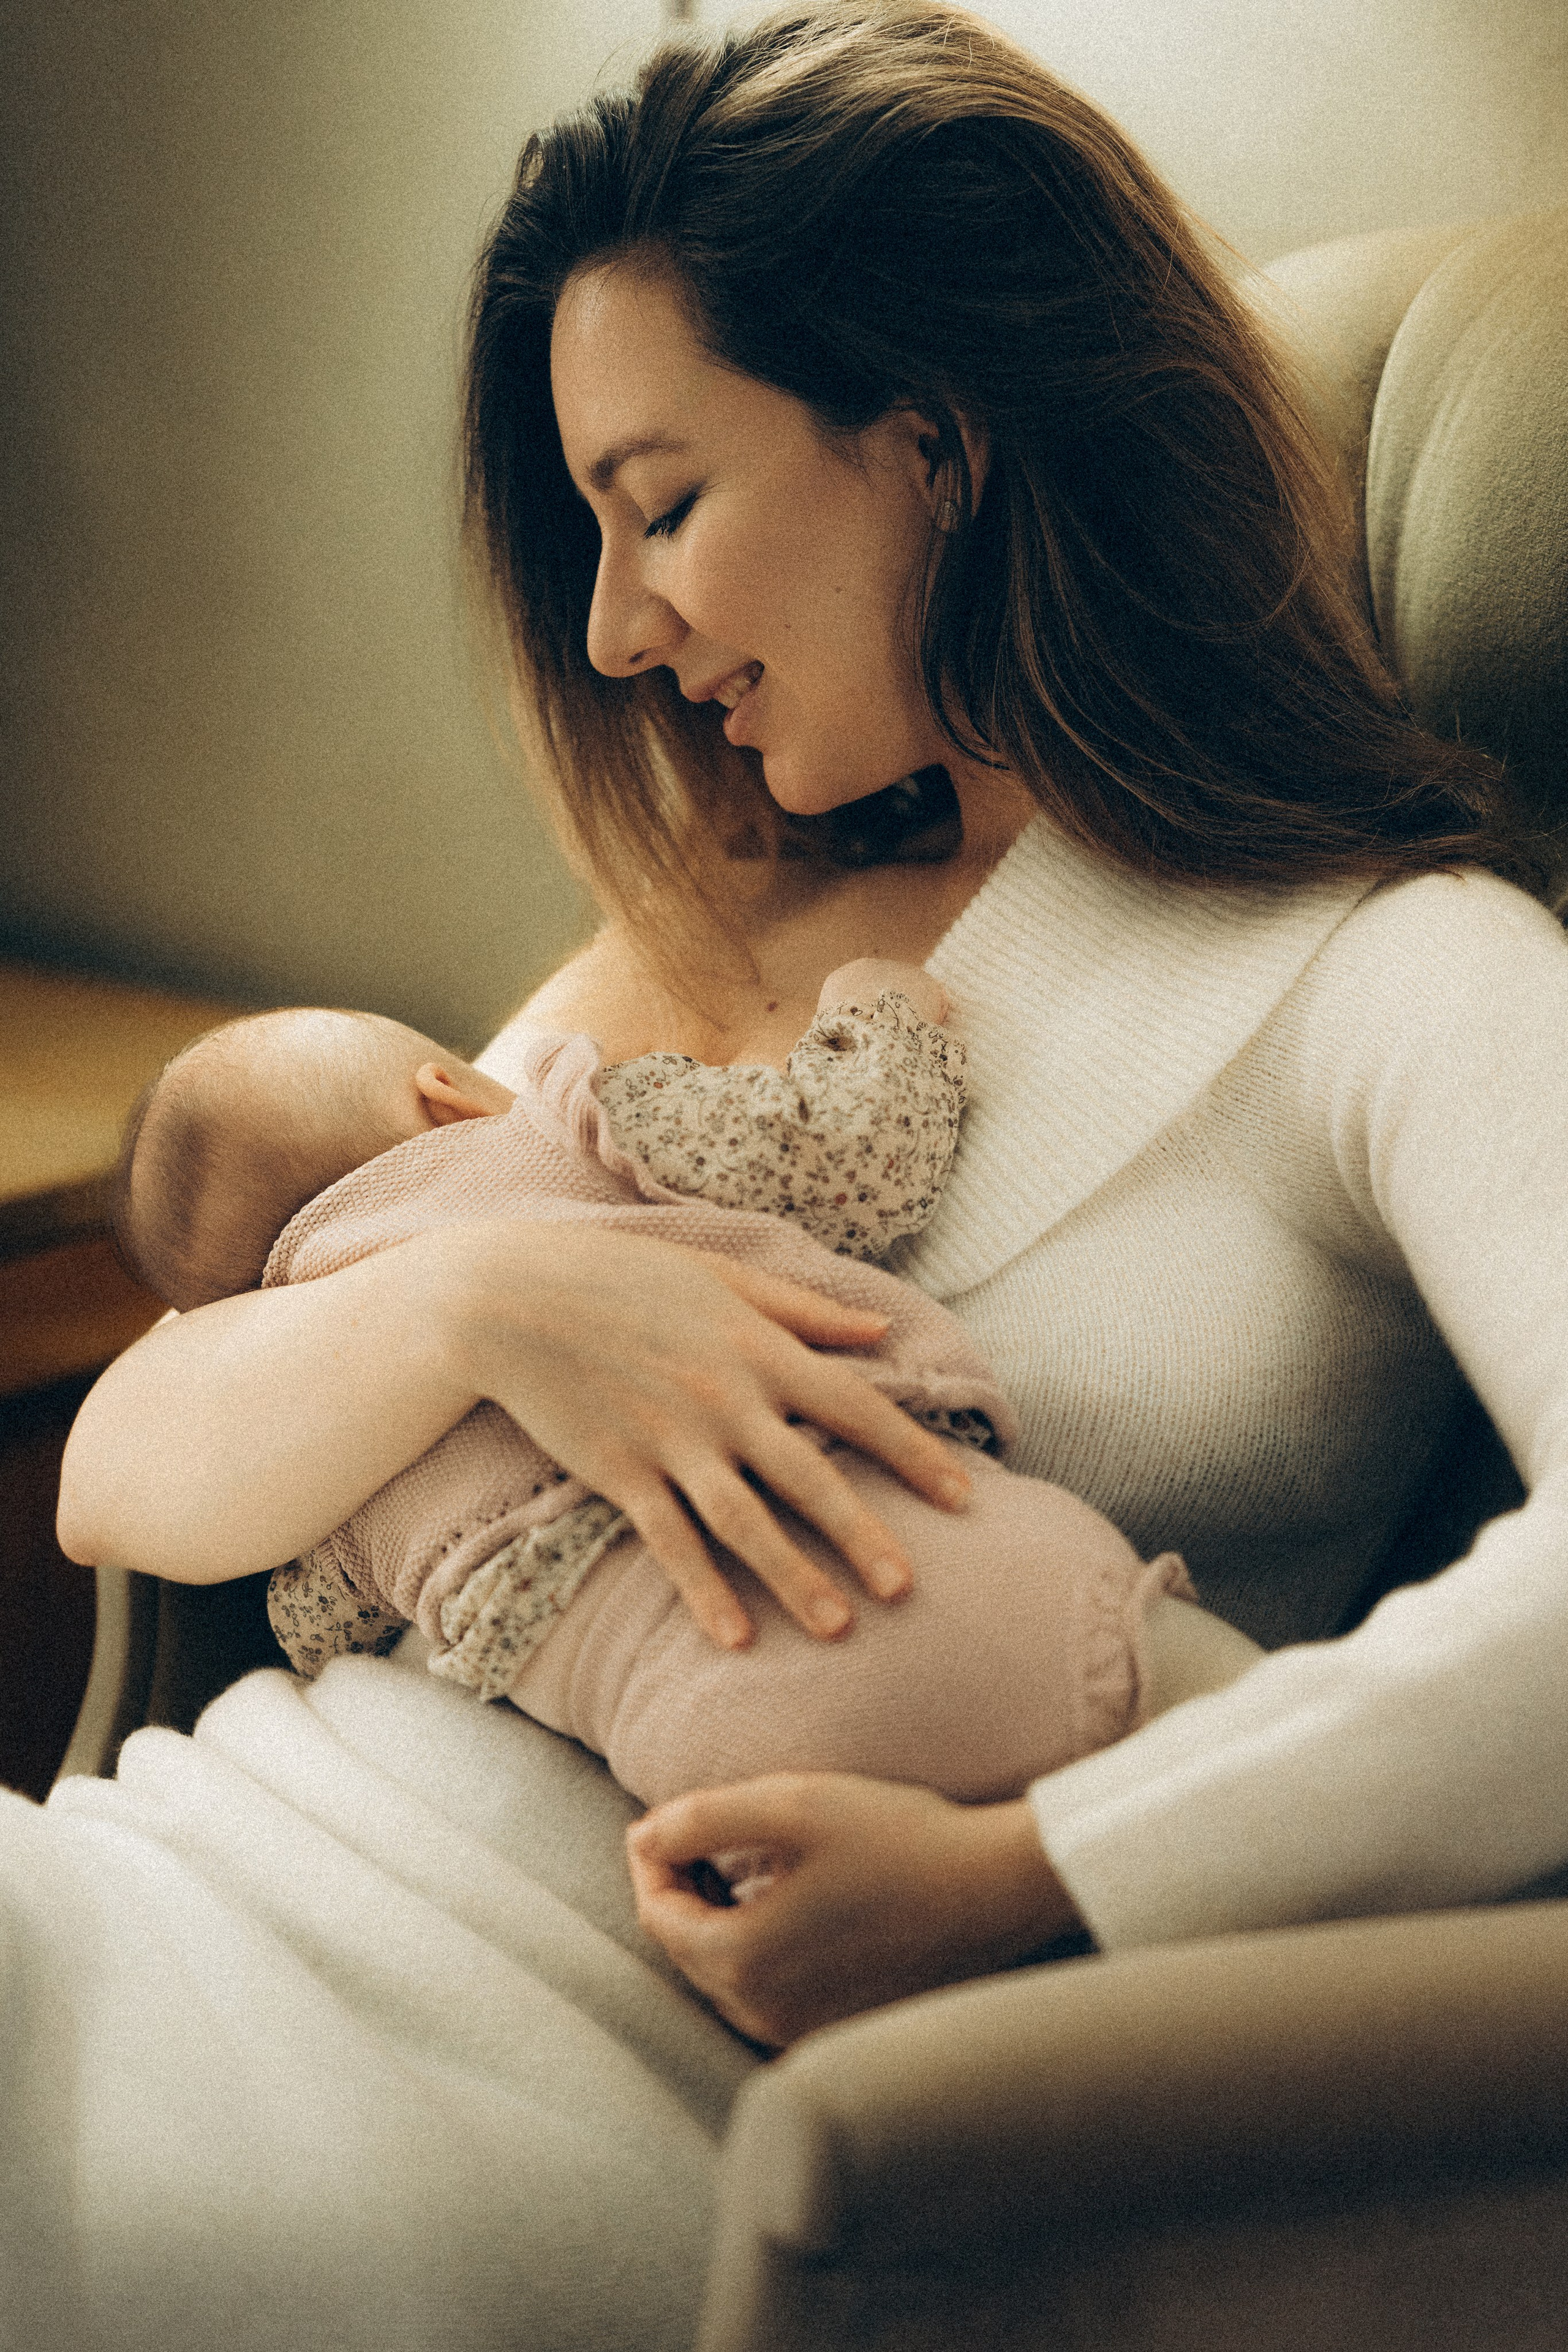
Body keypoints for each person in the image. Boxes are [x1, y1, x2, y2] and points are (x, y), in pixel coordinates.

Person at [56, 0, 1568, 2132]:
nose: (612, 634)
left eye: (659, 506)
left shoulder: (1400, 975)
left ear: (935, 442)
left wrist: (1038, 1876)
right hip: (224, 1869)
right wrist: (500, 1303)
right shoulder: (707, 933)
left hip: (607, 2071)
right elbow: (132, 1468)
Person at [111, 981, 1251, 1816]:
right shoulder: (568, 1118)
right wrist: (879, 1015)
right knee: (1240, 1728)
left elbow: (320, 1631)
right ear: (449, 1091)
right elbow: (855, 1158)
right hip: (913, 1583)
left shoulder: (327, 1416)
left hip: (699, 1761)